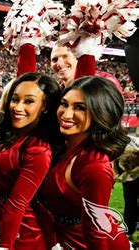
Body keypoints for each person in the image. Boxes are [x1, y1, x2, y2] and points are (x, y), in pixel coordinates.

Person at [41, 76, 131, 249]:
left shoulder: (94, 167)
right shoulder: (65, 144)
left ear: (101, 113)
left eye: (80, 108)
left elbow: (96, 232)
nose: (66, 114)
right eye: (64, 104)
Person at [0, 73, 62, 249]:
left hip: (26, 234)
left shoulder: (38, 149)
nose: (17, 107)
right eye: (15, 99)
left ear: (45, 107)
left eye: (29, 101)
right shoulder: (15, 135)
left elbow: (17, 204)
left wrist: (5, 246)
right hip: (5, 223)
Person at [50, 45, 122, 90]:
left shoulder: (105, 81)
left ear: (77, 58)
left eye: (65, 56)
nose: (59, 63)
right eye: (54, 60)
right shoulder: (57, 92)